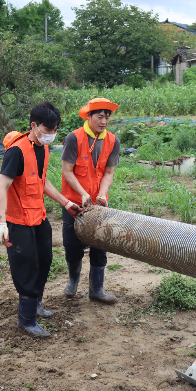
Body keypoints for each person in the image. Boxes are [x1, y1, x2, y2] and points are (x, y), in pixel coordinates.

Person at [0, 101, 81, 338]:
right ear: (34, 125)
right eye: (48, 129)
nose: (52, 135)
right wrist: (2, 222)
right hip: (18, 221)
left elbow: (42, 181)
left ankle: (37, 305)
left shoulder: (42, 149)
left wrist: (66, 203)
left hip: (38, 218)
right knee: (27, 267)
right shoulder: (17, 151)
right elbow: (2, 187)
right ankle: (26, 319)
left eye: (55, 130)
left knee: (44, 260)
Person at [60, 98, 122, 304]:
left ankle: (97, 289)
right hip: (74, 202)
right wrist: (83, 194)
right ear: (89, 116)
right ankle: (73, 280)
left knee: (100, 245)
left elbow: (109, 173)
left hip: (98, 204)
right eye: (99, 116)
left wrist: (102, 195)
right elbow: (67, 172)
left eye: (107, 117)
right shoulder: (73, 138)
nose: (104, 121)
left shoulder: (113, 141)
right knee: (73, 246)